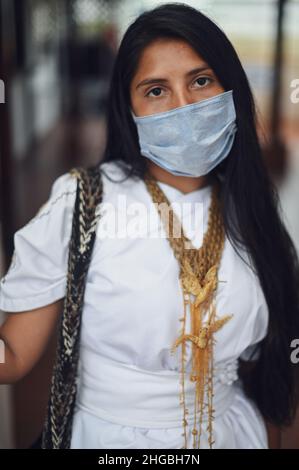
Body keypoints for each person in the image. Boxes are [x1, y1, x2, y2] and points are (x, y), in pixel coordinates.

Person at [1, 3, 299, 449]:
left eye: (201, 81)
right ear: (130, 108)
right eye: (156, 90)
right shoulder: (82, 203)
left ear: (230, 88)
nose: (183, 105)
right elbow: (13, 358)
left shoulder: (253, 209)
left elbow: (265, 372)